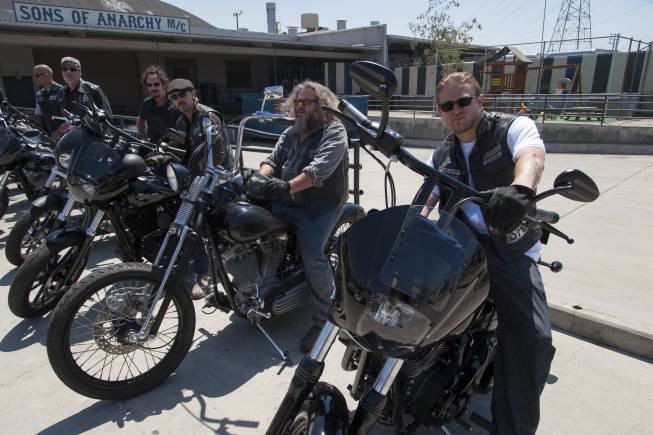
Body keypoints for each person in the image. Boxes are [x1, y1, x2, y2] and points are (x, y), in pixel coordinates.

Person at [421, 72, 555, 435]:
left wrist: (521, 188)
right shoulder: (441, 153)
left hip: (508, 247)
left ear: (481, 101)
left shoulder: (512, 128)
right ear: (440, 111)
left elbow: (531, 156)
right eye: (447, 105)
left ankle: (511, 427)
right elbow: (428, 197)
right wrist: (411, 226)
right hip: (463, 245)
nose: (456, 110)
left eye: (464, 101)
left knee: (533, 340)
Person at [257, 80, 349, 353]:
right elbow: (272, 160)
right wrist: (260, 179)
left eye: (306, 102)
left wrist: (286, 187)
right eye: (297, 102)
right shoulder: (290, 133)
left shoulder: (334, 131)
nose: (300, 107)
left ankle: (325, 319)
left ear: (321, 105)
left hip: (319, 206)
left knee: (312, 253)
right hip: (286, 198)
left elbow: (318, 171)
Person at [166, 78, 228, 299]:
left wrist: (199, 181)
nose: (178, 100)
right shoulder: (183, 120)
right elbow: (182, 149)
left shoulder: (208, 117)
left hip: (214, 181)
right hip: (194, 181)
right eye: (173, 97)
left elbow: (218, 155)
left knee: (199, 228)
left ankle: (206, 277)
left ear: (193, 94)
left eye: (182, 94)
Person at [52, 56, 112, 141]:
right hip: (67, 140)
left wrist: (81, 127)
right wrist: (58, 130)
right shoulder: (61, 92)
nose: (68, 72)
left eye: (72, 69)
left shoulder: (93, 90)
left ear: (80, 72)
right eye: (65, 69)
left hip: (90, 141)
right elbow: (58, 115)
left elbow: (107, 119)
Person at [136, 65, 179, 144]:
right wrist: (142, 136)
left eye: (156, 84)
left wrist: (159, 151)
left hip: (170, 151)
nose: (153, 88)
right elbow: (141, 119)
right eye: (149, 85)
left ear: (164, 85)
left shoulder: (175, 106)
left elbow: (179, 137)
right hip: (151, 146)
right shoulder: (147, 103)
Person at [33, 64, 63, 135]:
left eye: (37, 76)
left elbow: (69, 115)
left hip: (63, 133)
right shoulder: (39, 94)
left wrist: (59, 131)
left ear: (47, 75)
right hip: (49, 134)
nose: (35, 79)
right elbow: (39, 114)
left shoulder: (61, 91)